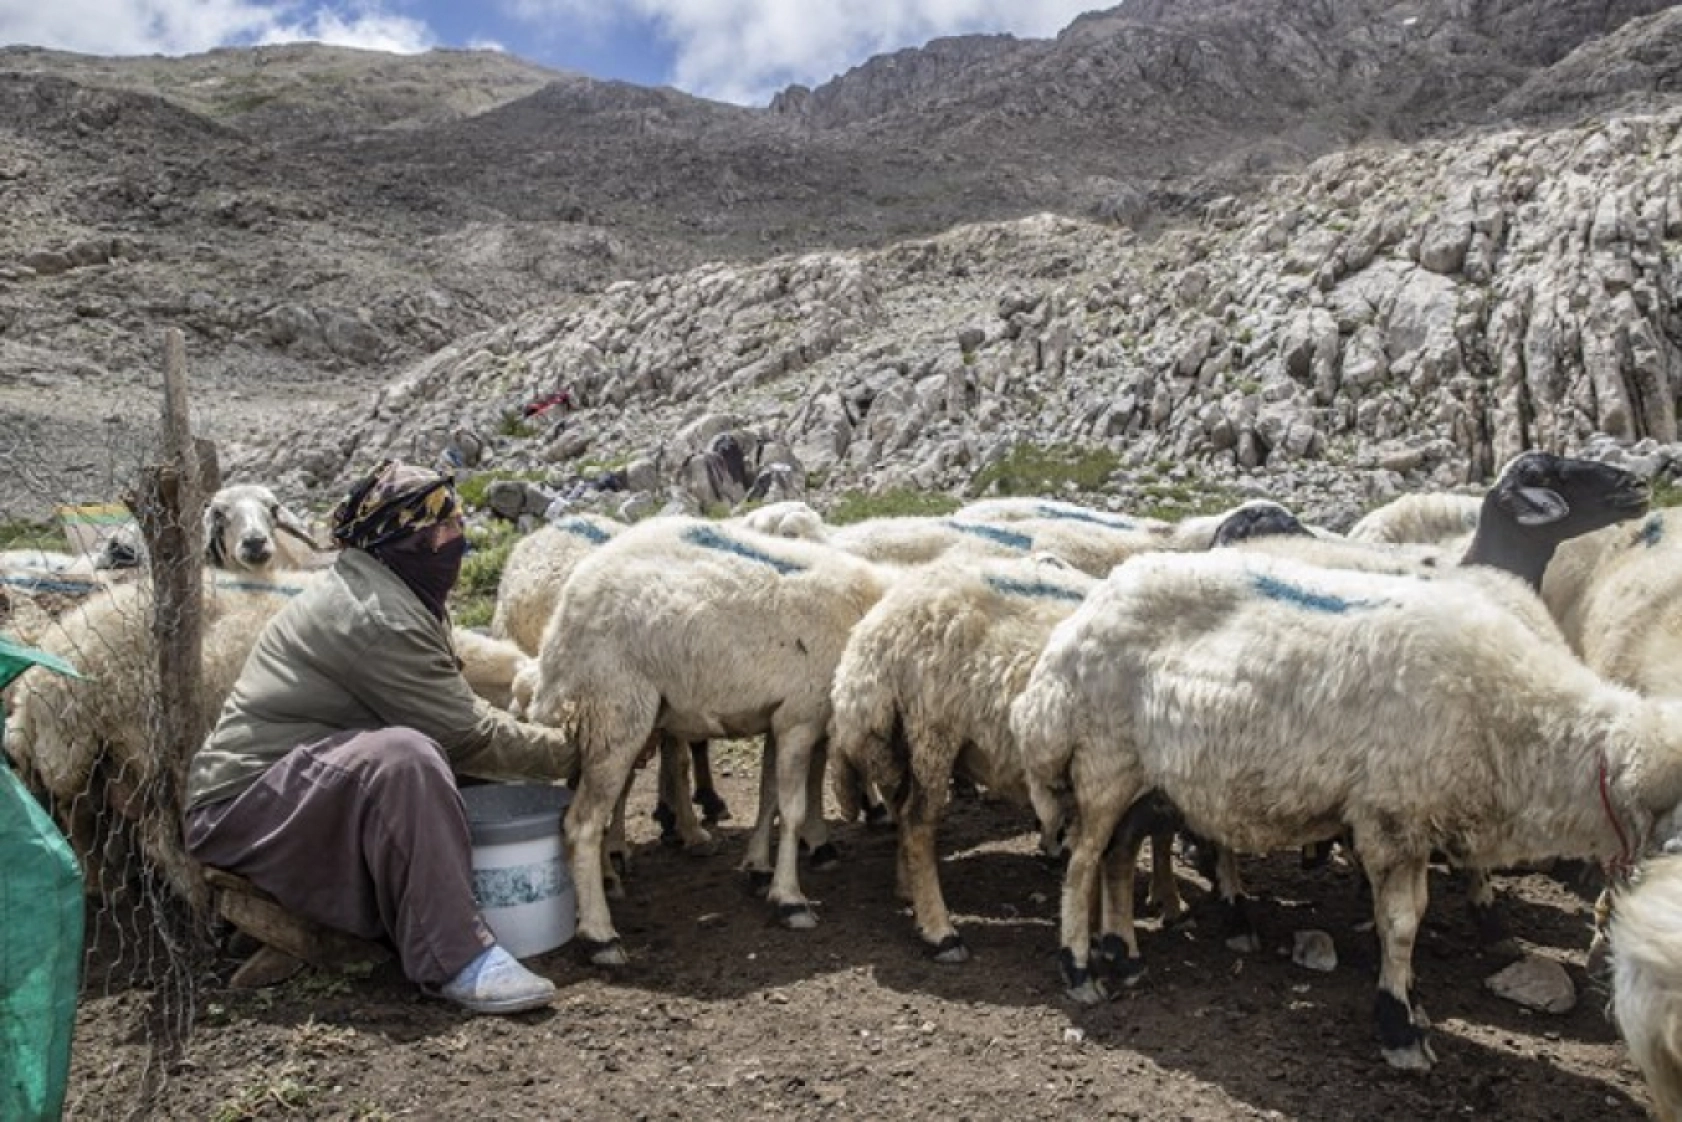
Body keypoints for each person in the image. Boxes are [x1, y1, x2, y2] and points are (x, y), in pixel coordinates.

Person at [183, 460, 577, 1015]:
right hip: (243, 809)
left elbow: (456, 710)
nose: (457, 537)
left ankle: (439, 905)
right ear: (402, 538)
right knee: (407, 758)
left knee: (457, 771)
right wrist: (577, 750)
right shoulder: (375, 615)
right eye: (442, 527)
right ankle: (456, 957)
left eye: (458, 522)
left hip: (304, 785)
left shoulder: (392, 587)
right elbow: (465, 733)